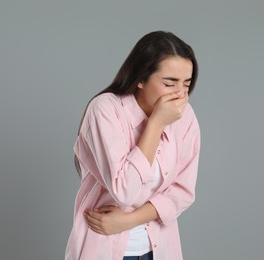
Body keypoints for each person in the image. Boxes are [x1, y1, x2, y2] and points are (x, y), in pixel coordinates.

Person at [65, 31, 201, 260]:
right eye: (169, 83)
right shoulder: (105, 110)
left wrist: (128, 221)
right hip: (104, 249)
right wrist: (156, 123)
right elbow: (125, 191)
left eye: (186, 84)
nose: (180, 95)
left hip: (159, 250)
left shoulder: (185, 118)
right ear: (140, 79)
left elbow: (183, 192)